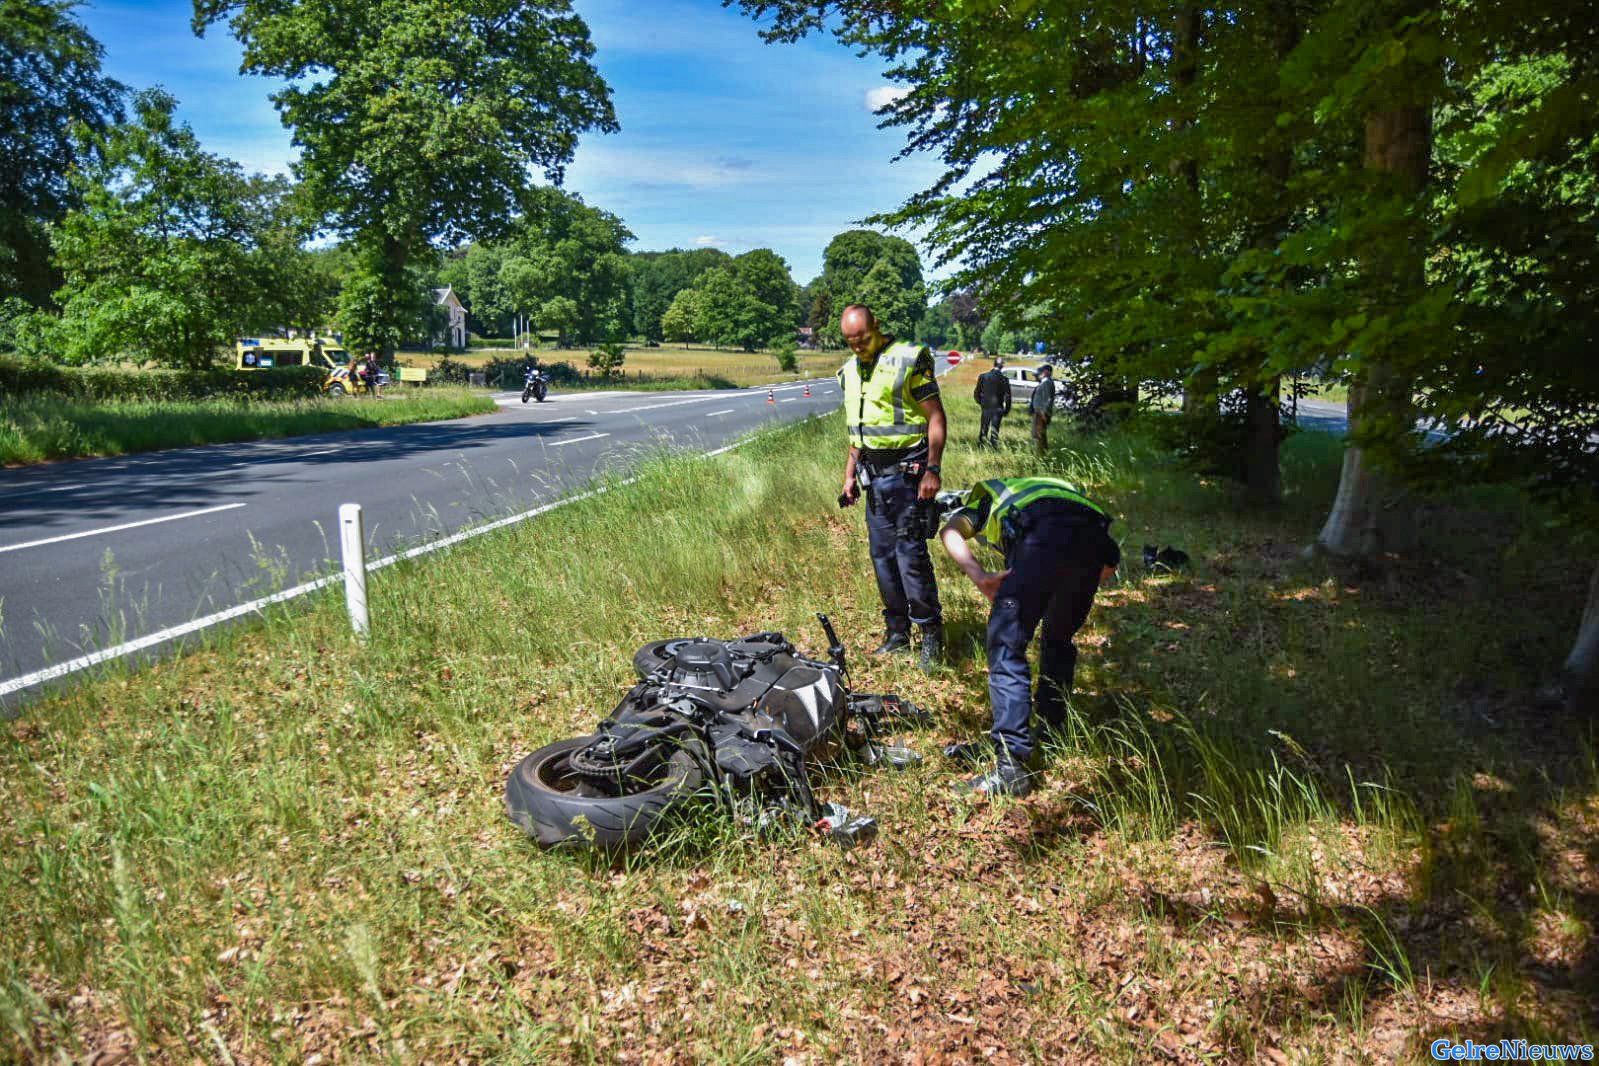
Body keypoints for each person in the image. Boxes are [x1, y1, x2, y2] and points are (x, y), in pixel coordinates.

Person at [938, 476, 1121, 796]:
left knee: (1006, 646)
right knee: (1058, 639)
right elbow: (1109, 566)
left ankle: (1011, 767)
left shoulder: (985, 500)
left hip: (1042, 536)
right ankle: (1051, 731)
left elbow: (949, 532)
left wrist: (980, 577)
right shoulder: (1057, 488)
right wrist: (1066, 589)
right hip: (1096, 542)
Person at [837, 304, 947, 669]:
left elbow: (936, 417)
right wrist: (849, 476)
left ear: (877, 327)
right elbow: (859, 432)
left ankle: (930, 634)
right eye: (850, 341)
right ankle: (897, 633)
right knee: (883, 559)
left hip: (908, 477)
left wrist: (933, 469)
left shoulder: (909, 359)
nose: (858, 347)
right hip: (875, 479)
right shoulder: (850, 372)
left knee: (910, 557)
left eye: (863, 339)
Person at [973, 358, 1011, 448]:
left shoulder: (983, 376)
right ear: (1002, 366)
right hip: (998, 407)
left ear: (994, 364)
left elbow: (976, 392)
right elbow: (1008, 396)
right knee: (995, 430)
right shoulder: (1004, 379)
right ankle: (993, 447)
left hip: (986, 406)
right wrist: (1007, 410)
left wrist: (981, 402)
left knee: (983, 428)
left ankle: (981, 446)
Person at [1029, 363, 1057, 454]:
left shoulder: (1047, 383)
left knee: (1038, 435)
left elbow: (1047, 399)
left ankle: (1040, 454)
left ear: (1046, 372)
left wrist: (1043, 413)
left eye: (1040, 373)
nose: (1038, 375)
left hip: (1041, 413)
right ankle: (1042, 453)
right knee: (1039, 434)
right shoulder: (1044, 382)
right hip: (1039, 412)